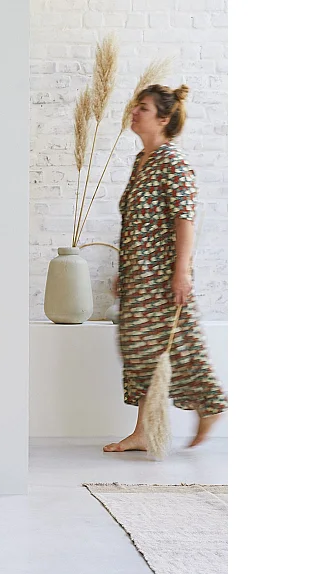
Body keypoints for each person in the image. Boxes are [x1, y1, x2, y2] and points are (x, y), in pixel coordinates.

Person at [103, 84, 227, 452]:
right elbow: (135, 226)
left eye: (143, 107)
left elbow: (184, 220)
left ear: (164, 117)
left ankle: (210, 404)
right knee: (137, 351)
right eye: (136, 106)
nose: (135, 112)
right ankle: (143, 431)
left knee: (181, 345)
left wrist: (181, 272)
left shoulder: (172, 161)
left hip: (162, 277)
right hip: (137, 278)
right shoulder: (141, 160)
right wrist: (123, 271)